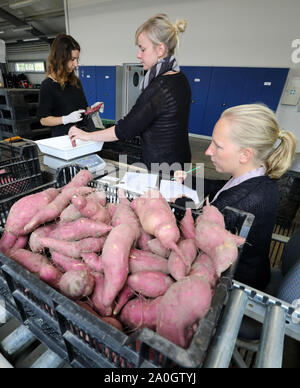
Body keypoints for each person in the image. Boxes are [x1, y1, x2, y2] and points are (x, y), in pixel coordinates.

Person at [174, 104, 297, 291]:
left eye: (217, 145)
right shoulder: (257, 176)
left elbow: (200, 230)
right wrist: (189, 179)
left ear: (245, 154)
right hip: (255, 267)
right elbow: (222, 189)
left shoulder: (242, 202)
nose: (208, 151)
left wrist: (179, 203)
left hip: (235, 283)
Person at [69, 13, 192, 171]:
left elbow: (124, 129)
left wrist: (86, 135)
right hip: (180, 162)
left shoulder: (159, 87)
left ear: (160, 49)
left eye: (143, 49)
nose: (138, 55)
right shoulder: (180, 79)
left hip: (163, 168)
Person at [37, 33, 96, 137]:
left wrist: (92, 109)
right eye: (72, 59)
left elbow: (85, 108)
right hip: (64, 139)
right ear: (60, 59)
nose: (76, 64)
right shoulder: (47, 86)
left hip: (84, 134)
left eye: (77, 59)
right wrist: (66, 119)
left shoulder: (75, 82)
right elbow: (44, 120)